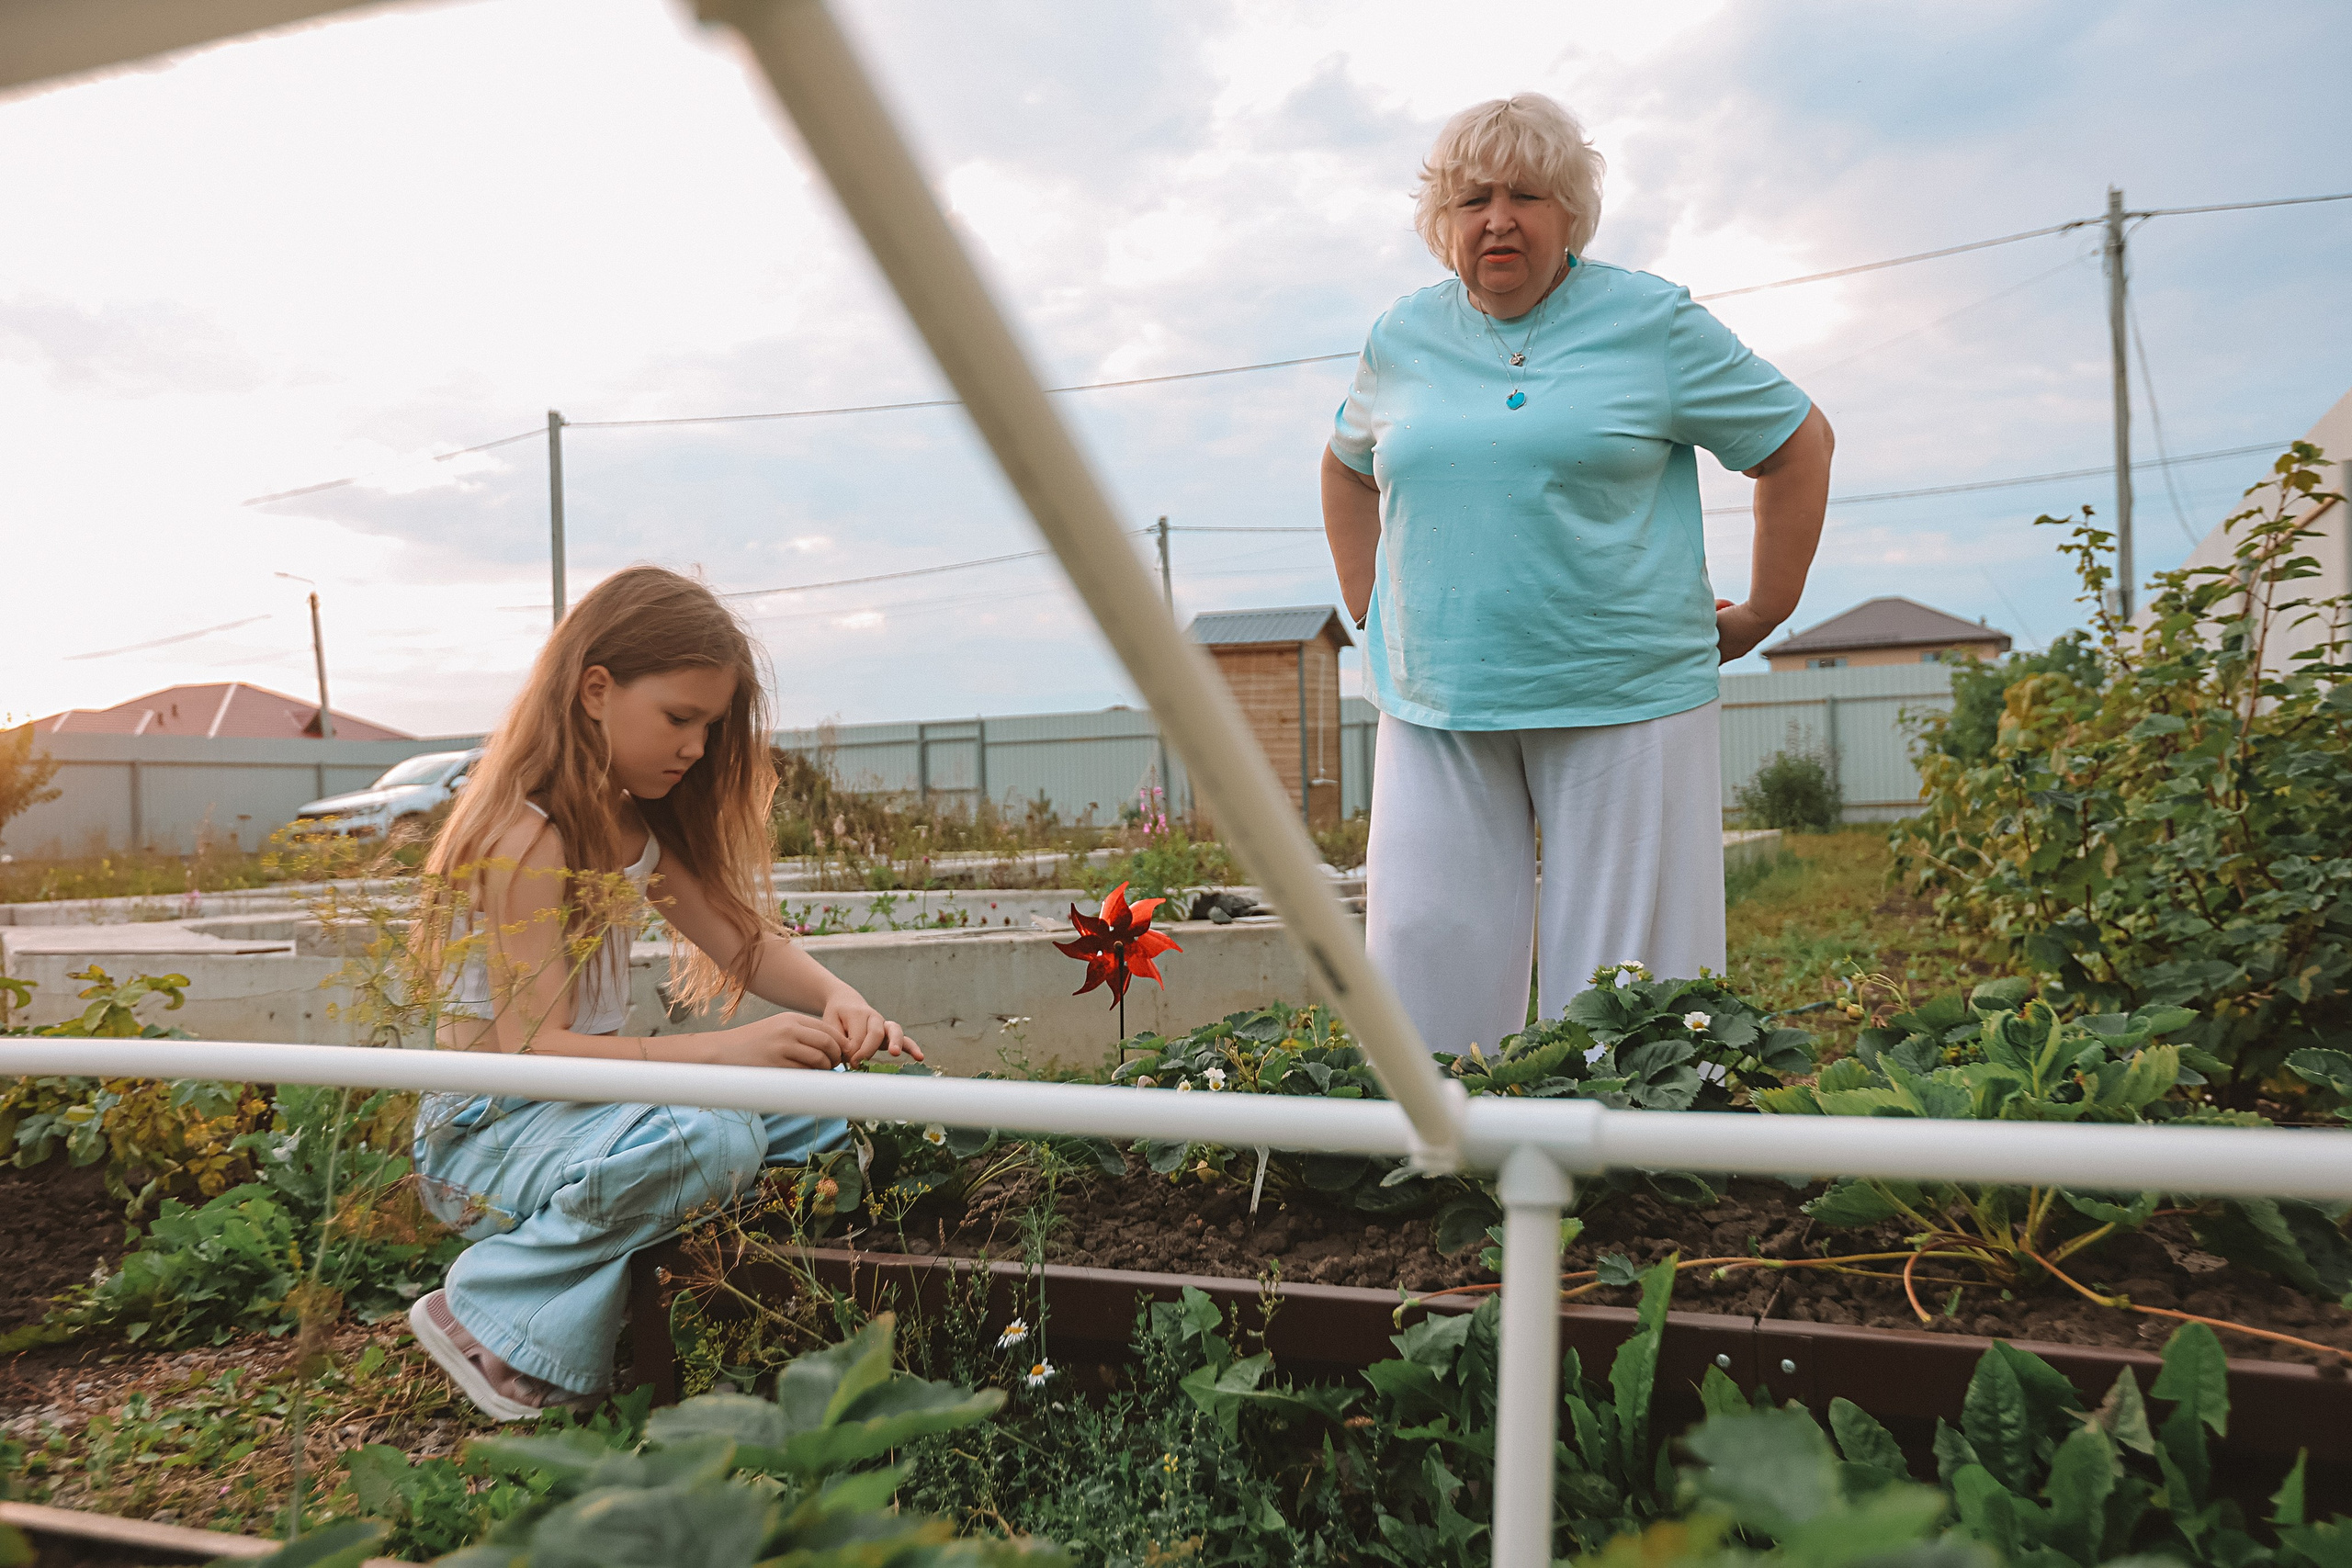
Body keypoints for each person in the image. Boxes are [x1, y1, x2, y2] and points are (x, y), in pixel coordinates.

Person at [1321, 94, 1834, 1056]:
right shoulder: (1401, 336)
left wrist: (1768, 607)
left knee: (1625, 995)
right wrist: (1368, 606)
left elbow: (1796, 443)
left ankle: (1626, 1191)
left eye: (1527, 195)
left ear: (1571, 213)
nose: (1498, 218)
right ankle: (1454, 1175)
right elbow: (1346, 468)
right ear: (1443, 217)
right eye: (1473, 197)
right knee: (1425, 963)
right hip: (1438, 701)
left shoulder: (1649, 322)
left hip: (1625, 695)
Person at [403, 566, 922, 1421]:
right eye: (680, 718)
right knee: (711, 1136)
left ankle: (649, 1272)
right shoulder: (527, 837)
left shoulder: (630, 827)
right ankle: (487, 1313)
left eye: (710, 727)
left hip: (581, 1116)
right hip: (486, 1137)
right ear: (596, 690)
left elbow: (744, 944)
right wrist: (730, 1055)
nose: (696, 747)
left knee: (840, 1108)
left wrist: (841, 1000)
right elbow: (533, 1057)